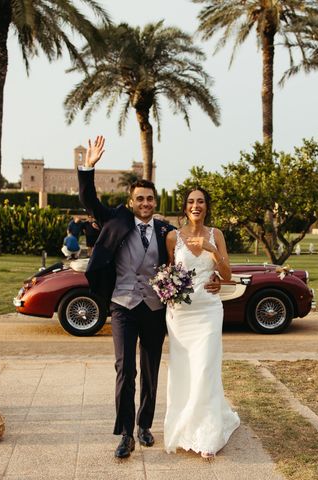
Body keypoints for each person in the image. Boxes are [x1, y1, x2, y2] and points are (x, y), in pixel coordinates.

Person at [76, 136, 219, 459]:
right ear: (131, 201)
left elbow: (186, 261)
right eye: (140, 198)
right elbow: (89, 199)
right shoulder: (116, 220)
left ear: (155, 202)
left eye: (150, 199)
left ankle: (144, 425)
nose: (145, 203)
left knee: (151, 369)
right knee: (125, 370)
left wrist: (211, 281)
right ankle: (126, 433)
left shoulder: (165, 231)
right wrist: (89, 167)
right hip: (124, 305)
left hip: (154, 308)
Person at [163, 187, 240, 459]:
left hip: (208, 309)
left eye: (201, 202)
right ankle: (184, 427)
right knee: (184, 370)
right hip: (181, 315)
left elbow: (228, 274)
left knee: (205, 367)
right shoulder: (173, 237)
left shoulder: (215, 234)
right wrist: (167, 291)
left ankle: (207, 435)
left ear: (207, 206)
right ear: (185, 207)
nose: (196, 205)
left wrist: (211, 251)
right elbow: (167, 272)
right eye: (191, 201)